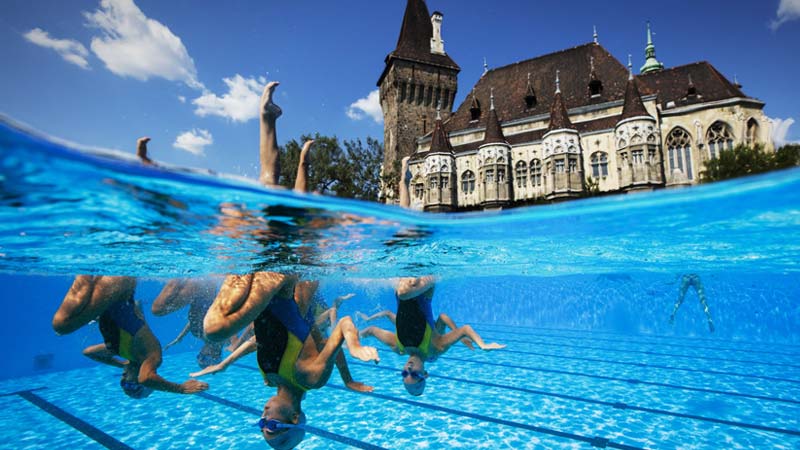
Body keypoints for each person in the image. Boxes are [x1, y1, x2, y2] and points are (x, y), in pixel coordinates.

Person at [200, 81, 378, 450]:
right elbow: (342, 327)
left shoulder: (269, 379)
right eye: (274, 427)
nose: (264, 417)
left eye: (260, 425)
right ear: (296, 419)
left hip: (271, 287)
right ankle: (294, 155)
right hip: (282, 283)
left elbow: (255, 341)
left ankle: (270, 123)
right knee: (286, 218)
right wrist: (357, 347)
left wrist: (224, 365)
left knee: (273, 198)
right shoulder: (311, 378)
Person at [51, 275, 209, 398]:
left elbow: (89, 352)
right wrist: (180, 388)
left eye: (124, 385)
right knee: (62, 325)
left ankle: (85, 269)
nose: (124, 381)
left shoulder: (121, 352)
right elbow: (147, 378)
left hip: (115, 291)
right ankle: (84, 269)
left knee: (62, 325)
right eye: (131, 386)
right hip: (116, 288)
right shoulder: (151, 356)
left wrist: (121, 365)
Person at [358, 276, 505, 396]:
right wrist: (482, 345)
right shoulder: (436, 348)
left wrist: (354, 340)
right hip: (423, 290)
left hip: (402, 288)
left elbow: (371, 330)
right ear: (425, 374)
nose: (408, 369)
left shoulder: (399, 347)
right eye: (414, 375)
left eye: (404, 374)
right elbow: (465, 329)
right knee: (406, 289)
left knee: (402, 282)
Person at [152, 278, 225, 368]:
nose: (200, 353)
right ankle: (179, 276)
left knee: (158, 309)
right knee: (157, 309)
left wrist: (179, 338)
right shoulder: (219, 336)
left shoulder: (207, 337)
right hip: (202, 292)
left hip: (200, 294)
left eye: (198, 356)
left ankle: (182, 276)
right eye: (203, 357)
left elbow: (195, 322)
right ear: (215, 355)